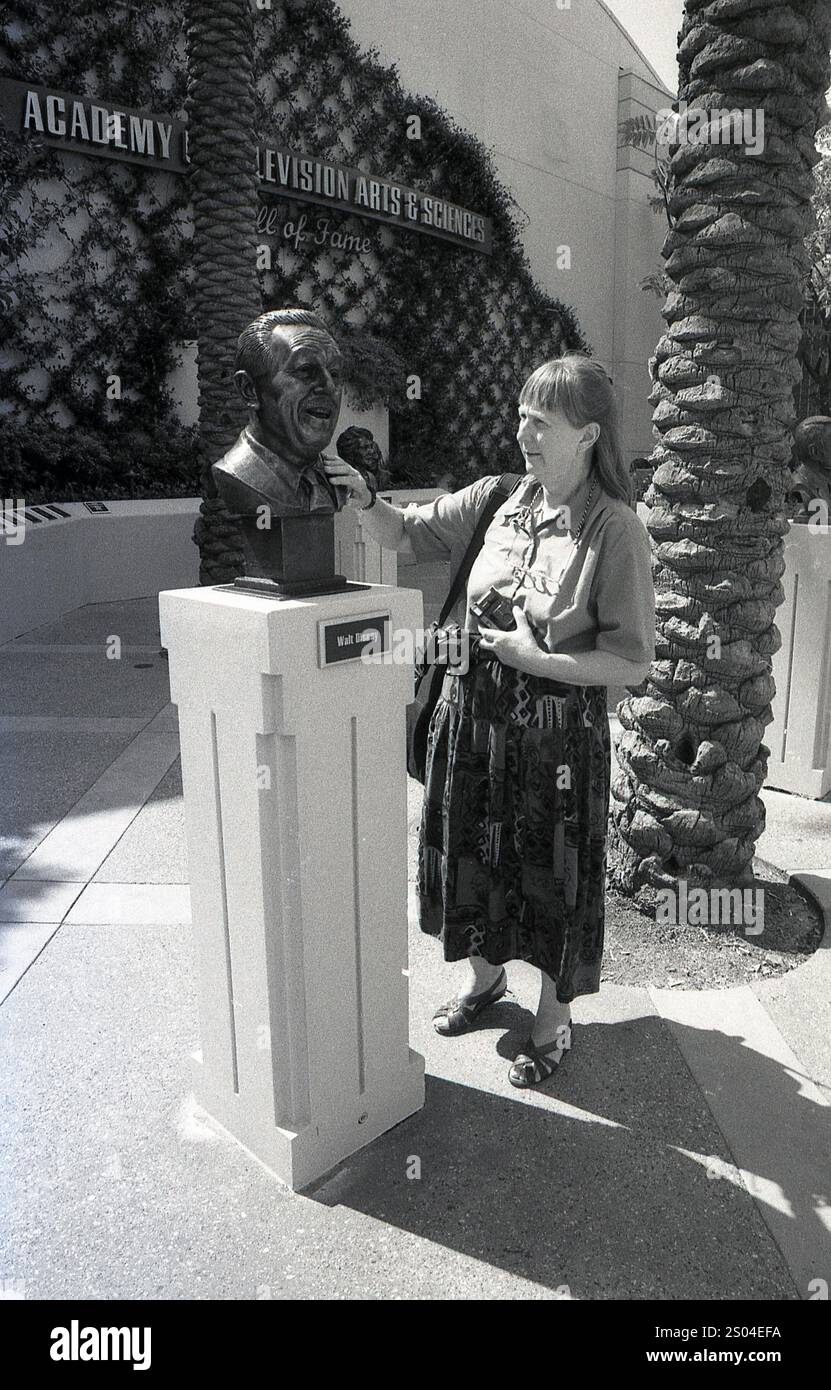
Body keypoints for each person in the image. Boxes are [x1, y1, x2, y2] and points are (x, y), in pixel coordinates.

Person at [324, 354, 655, 1087]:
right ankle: (484, 982)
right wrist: (362, 498)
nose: (523, 433)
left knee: (550, 880)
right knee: (466, 862)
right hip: (467, 722)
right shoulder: (497, 500)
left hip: (554, 744)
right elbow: (405, 534)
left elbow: (628, 662)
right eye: (520, 416)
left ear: (588, 435)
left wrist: (538, 660)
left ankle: (552, 1019)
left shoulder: (614, 531)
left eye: (542, 421)